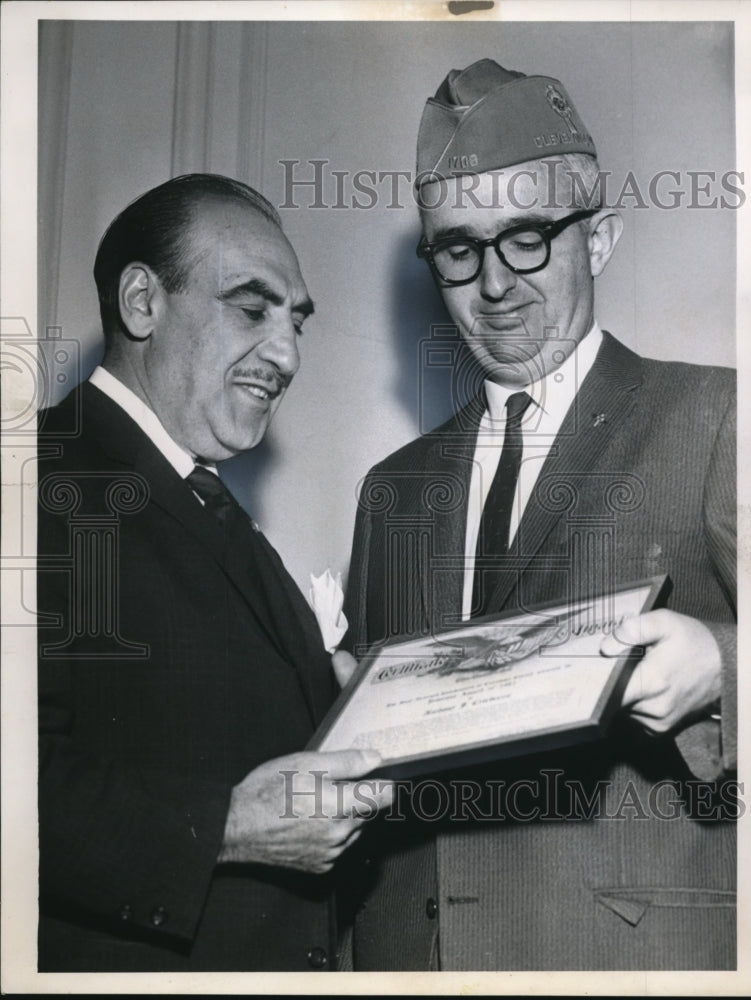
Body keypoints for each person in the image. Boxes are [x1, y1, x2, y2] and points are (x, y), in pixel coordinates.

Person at [342, 60, 736, 970]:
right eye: (457, 249)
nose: (493, 284)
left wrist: (723, 663)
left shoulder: (716, 418)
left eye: (527, 237)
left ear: (598, 239)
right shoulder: (390, 487)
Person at [36, 173, 390, 972]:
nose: (288, 353)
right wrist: (228, 825)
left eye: (296, 322)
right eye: (251, 307)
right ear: (141, 303)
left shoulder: (210, 508)